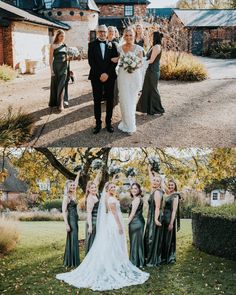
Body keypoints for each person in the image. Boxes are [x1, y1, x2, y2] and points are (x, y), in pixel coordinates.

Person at [56, 182, 149, 291]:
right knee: (114, 244)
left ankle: (113, 263)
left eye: (114, 187)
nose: (114, 188)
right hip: (114, 222)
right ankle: (112, 264)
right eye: (111, 187)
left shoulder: (107, 197)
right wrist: (120, 226)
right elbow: (114, 214)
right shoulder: (110, 199)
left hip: (110, 222)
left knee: (111, 244)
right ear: (108, 189)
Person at [112, 27, 144, 135]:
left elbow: (140, 64)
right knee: (124, 100)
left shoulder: (138, 48)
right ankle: (125, 122)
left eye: (130, 35)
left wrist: (132, 64)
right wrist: (114, 60)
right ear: (124, 36)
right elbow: (118, 60)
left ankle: (130, 125)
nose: (128, 37)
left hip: (133, 77)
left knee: (131, 100)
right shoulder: (120, 48)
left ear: (134, 36)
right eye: (126, 35)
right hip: (122, 76)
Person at [88, 25, 119, 134]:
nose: (102, 33)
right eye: (100, 31)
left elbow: (114, 62)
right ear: (97, 32)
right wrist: (101, 74)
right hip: (96, 77)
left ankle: (108, 122)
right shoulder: (91, 45)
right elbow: (91, 62)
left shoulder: (113, 45)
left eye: (104, 32)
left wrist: (107, 74)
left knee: (110, 100)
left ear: (107, 33)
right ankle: (98, 123)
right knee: (97, 100)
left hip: (110, 77)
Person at [137, 32, 165, 116]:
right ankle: (144, 109)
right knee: (146, 89)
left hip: (153, 71)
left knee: (153, 89)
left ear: (155, 37)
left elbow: (151, 60)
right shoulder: (154, 46)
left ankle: (158, 110)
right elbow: (148, 58)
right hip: (149, 70)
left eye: (152, 36)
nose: (151, 38)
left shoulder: (157, 47)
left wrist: (141, 62)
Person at [144, 165, 164, 267]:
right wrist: (149, 170)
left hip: (154, 216)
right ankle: (148, 256)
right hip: (151, 216)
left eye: (157, 181)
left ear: (160, 184)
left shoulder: (157, 192)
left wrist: (155, 219)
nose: (155, 182)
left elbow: (157, 207)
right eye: (154, 180)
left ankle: (153, 258)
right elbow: (151, 178)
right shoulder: (154, 190)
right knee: (150, 237)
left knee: (152, 238)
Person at [62, 170, 81, 267]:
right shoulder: (67, 197)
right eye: (71, 186)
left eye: (73, 186)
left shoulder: (73, 194)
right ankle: (73, 261)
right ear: (67, 187)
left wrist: (78, 174)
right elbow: (64, 211)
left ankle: (72, 260)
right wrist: (66, 224)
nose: (73, 187)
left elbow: (76, 183)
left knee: (74, 238)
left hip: (75, 219)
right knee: (73, 238)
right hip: (71, 220)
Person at [49, 29, 69, 111]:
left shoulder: (65, 45)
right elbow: (50, 58)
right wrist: (51, 70)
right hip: (56, 67)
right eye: (61, 36)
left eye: (63, 36)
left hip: (64, 67)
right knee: (55, 85)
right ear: (57, 36)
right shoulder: (53, 45)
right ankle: (54, 102)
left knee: (62, 84)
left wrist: (72, 57)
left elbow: (67, 57)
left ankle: (61, 104)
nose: (62, 38)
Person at [161, 179, 181, 264]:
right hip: (164, 218)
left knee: (169, 239)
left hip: (169, 218)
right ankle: (163, 256)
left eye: (172, 185)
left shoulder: (175, 196)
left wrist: (171, 223)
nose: (170, 186)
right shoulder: (168, 194)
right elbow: (162, 184)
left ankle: (169, 257)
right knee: (164, 238)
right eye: (169, 185)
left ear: (175, 186)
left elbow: (174, 211)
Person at [128, 182, 145, 268]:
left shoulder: (137, 199)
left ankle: (135, 261)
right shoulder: (136, 199)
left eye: (136, 188)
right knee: (136, 242)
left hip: (136, 222)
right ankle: (138, 261)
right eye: (132, 188)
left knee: (135, 242)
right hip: (138, 221)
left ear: (139, 190)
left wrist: (126, 223)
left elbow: (132, 213)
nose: (134, 190)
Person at [85, 170, 102, 254]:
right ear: (88, 189)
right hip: (93, 222)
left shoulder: (95, 195)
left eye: (95, 187)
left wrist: (99, 172)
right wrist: (90, 226)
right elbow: (89, 213)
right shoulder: (90, 198)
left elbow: (96, 181)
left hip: (98, 220)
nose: (94, 188)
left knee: (98, 240)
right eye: (92, 188)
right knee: (92, 240)